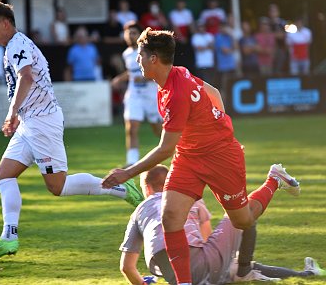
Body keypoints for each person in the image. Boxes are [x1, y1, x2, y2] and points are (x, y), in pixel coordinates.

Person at [102, 27, 301, 285]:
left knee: (243, 220)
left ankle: (274, 179)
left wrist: (127, 173)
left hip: (221, 157)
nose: (136, 61)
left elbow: (165, 149)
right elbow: (215, 93)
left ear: (153, 59)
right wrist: (215, 119)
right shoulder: (177, 73)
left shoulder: (176, 93)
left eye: (140, 55)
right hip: (189, 156)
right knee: (170, 217)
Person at [0, 0, 144, 261]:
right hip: (30, 122)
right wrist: (19, 115)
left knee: (58, 186)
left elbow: (26, 77)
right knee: (4, 175)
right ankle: (9, 238)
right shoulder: (12, 46)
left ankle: (120, 188)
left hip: (42, 122)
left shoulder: (17, 43)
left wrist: (11, 112)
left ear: (6, 23)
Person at [119, 165, 324, 285]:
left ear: (146, 187)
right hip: (201, 264)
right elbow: (208, 240)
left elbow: (127, 267)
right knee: (241, 218)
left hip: (177, 275)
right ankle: (273, 179)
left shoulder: (139, 211)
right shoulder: (189, 198)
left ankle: (300, 274)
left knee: (232, 267)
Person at [111, 22, 162, 166]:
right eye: (128, 33)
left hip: (151, 95)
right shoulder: (126, 53)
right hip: (134, 94)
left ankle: (180, 150)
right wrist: (119, 78)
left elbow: (159, 71)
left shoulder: (149, 51)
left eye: (134, 32)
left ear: (140, 34)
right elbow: (132, 73)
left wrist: (146, 77)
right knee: (131, 127)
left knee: (158, 130)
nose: (131, 35)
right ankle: (132, 162)